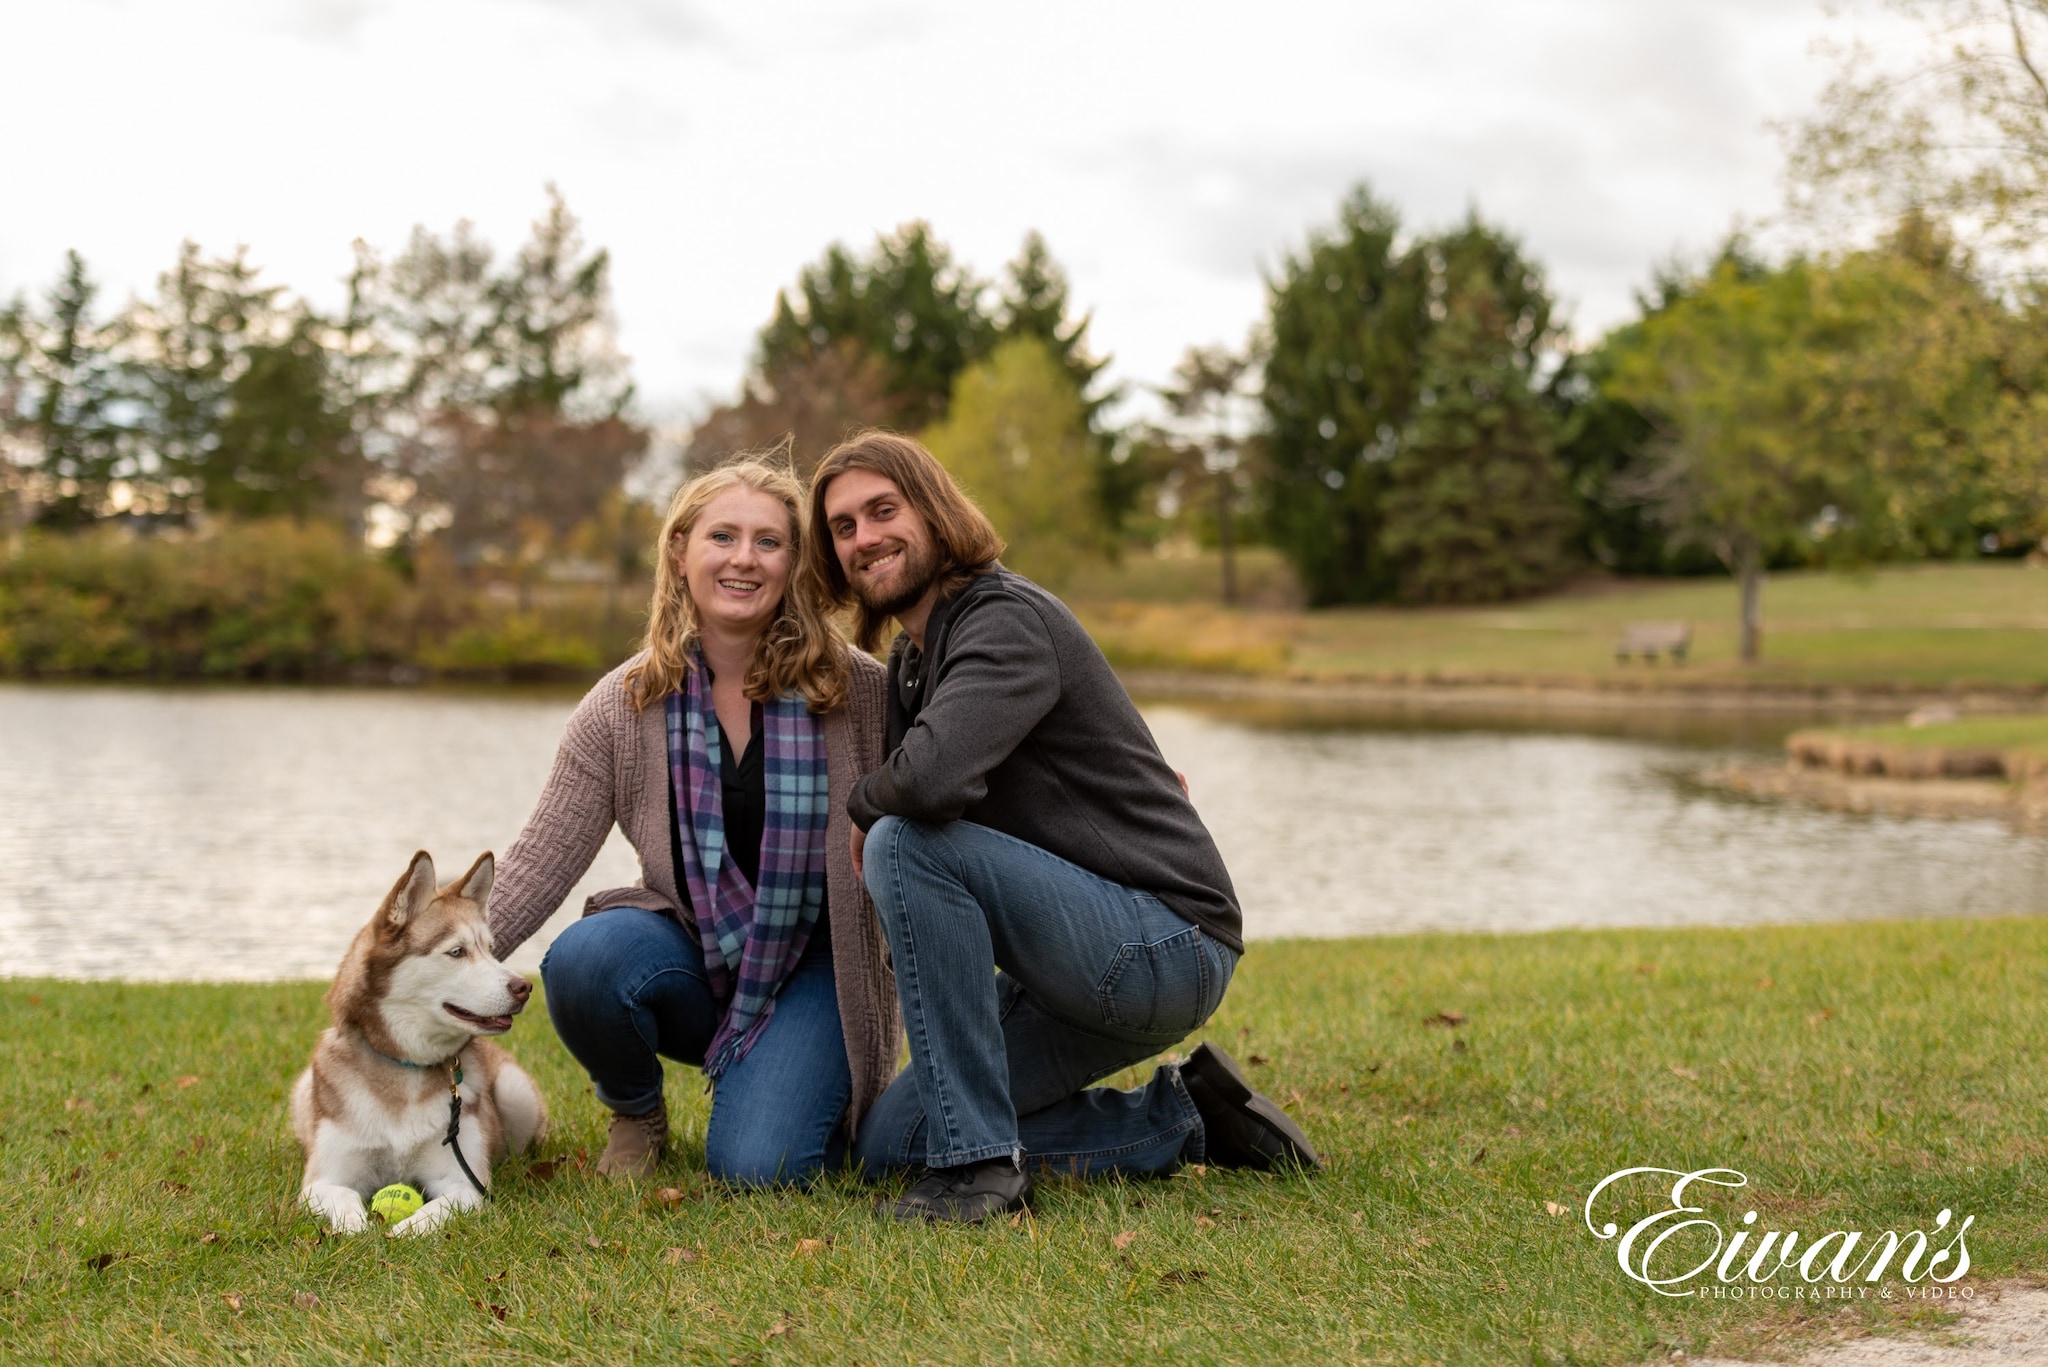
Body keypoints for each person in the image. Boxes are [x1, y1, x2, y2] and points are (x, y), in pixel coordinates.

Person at [807, 430, 1318, 1224]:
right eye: (844, 527)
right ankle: (1185, 1115)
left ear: (935, 512)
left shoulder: (1003, 621)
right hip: (1071, 962)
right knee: (896, 1140)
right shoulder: (915, 660)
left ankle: (981, 1171)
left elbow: (930, 782)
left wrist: (864, 808)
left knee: (901, 841)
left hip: (1163, 939)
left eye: (882, 510)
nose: (865, 537)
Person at [485, 457, 896, 1186]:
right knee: (585, 959)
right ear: (681, 552)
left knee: (760, 1165)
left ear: (796, 562)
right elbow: (536, 862)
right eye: (723, 536)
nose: (745, 558)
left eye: (770, 542)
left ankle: (798, 1079)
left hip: (820, 965)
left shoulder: (861, 691)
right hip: (692, 953)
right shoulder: (624, 703)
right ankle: (636, 1110)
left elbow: (971, 765)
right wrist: (414, 972)